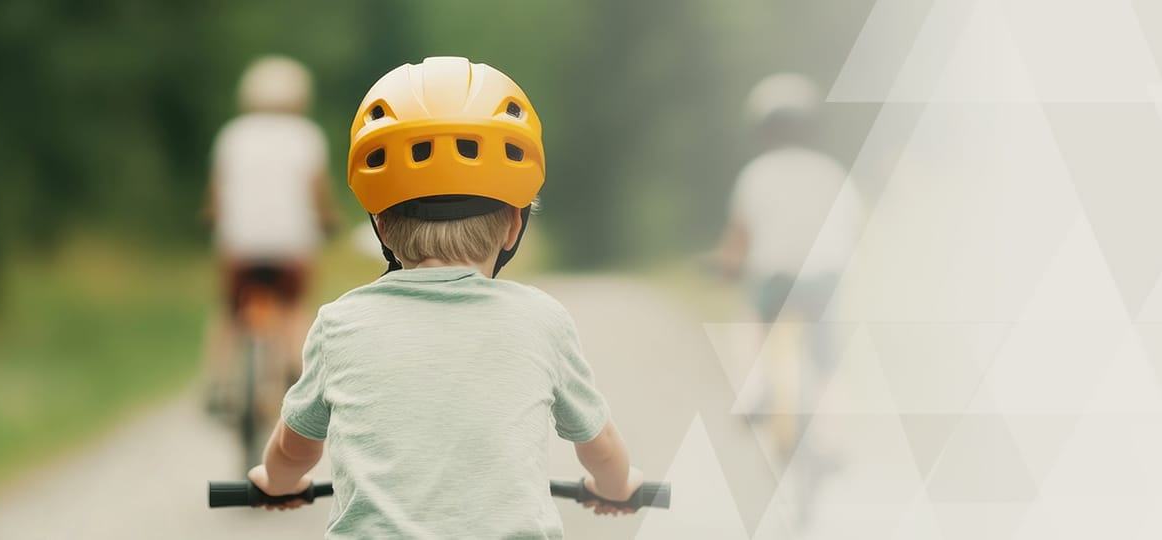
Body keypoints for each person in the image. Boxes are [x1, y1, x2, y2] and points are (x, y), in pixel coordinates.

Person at [245, 57, 645, 538]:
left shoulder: (340, 323)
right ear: (514, 225)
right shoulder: (542, 321)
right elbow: (599, 446)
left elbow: (295, 450)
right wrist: (617, 485)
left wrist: (275, 482)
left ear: (380, 225)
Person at [716, 72, 863, 416]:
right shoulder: (831, 171)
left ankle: (753, 391)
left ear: (762, 130)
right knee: (827, 359)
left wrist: (728, 266)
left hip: (775, 277)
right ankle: (833, 428)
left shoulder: (757, 173)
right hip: (827, 276)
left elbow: (740, 235)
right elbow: (854, 225)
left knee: (749, 321)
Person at [203, 55, 340, 416]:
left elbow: (216, 192)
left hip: (240, 244)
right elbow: (318, 191)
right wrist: (328, 219)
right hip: (290, 244)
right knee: (294, 306)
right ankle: (300, 373)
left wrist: (212, 217)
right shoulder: (306, 136)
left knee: (230, 312)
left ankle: (217, 382)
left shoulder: (232, 135)